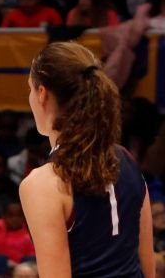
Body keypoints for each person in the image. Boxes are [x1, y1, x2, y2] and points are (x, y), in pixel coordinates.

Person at [20, 42, 154, 277]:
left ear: (42, 94)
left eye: (30, 89)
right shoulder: (127, 159)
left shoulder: (42, 184)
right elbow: (147, 266)